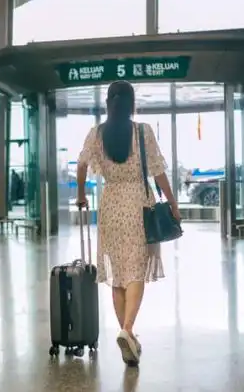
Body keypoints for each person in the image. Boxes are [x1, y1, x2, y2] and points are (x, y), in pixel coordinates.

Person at [76, 81, 181, 366]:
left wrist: (81, 195)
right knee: (136, 270)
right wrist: (172, 202)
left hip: (110, 204)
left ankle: (128, 338)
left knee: (117, 273)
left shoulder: (97, 133)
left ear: (108, 103)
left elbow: (82, 164)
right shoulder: (142, 131)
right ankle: (128, 330)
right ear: (131, 103)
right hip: (138, 204)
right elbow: (158, 172)